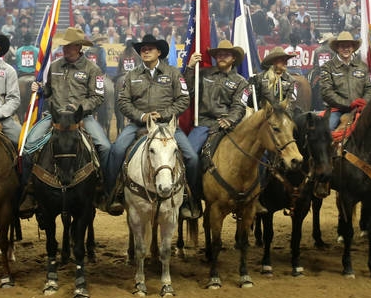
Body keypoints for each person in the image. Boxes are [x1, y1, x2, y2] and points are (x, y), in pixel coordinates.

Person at [18, 27, 110, 215]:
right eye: (64, 46)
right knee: (28, 146)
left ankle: (103, 189)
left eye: (70, 47)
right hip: (55, 118)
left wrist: (78, 109)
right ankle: (29, 191)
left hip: (81, 118)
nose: (66, 50)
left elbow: (97, 97)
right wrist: (41, 88)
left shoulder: (93, 70)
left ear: (79, 47)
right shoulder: (55, 66)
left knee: (105, 147)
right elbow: (49, 91)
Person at [106, 34, 194, 217]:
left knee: (192, 157)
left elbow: (184, 99)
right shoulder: (132, 75)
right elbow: (123, 102)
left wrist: (163, 114)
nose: (145, 52)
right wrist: (142, 115)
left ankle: (187, 197)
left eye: (150, 49)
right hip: (138, 125)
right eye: (143, 49)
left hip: (167, 126)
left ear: (159, 52)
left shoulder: (173, 74)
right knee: (116, 150)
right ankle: (115, 193)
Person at [185, 40, 250, 200]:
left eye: (226, 54)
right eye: (219, 54)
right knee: (189, 156)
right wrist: (190, 68)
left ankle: (254, 196)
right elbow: (187, 91)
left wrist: (230, 120)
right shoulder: (204, 73)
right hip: (203, 124)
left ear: (233, 58)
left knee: (253, 154)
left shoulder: (242, 82)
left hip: (228, 126)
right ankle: (190, 196)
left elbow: (239, 106)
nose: (221, 56)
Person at [319, 31, 371, 130]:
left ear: (353, 48)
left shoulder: (362, 67)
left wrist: (362, 102)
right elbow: (326, 92)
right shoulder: (328, 67)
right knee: (328, 129)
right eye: (342, 46)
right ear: (337, 48)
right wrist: (349, 104)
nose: (346, 49)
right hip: (336, 110)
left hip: (360, 109)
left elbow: (369, 89)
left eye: (348, 46)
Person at [252, 46, 298, 116]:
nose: (285, 62)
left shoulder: (291, 81)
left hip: (283, 116)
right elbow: (253, 101)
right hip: (263, 117)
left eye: (286, 60)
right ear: (274, 61)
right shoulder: (260, 78)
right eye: (282, 60)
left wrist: (282, 115)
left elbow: (291, 102)